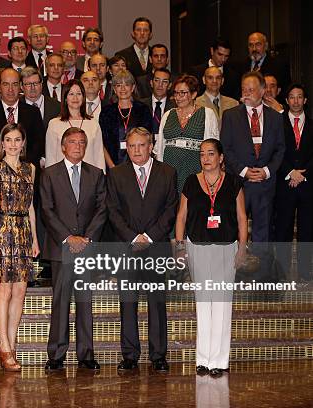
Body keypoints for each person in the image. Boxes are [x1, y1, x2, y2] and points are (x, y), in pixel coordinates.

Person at [106, 127, 178, 373]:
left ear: (151, 147)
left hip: (156, 247)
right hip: (126, 248)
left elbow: (171, 210)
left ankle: (158, 355)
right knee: (128, 302)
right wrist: (133, 237)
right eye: (132, 146)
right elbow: (112, 211)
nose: (136, 150)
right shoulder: (116, 174)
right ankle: (129, 355)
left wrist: (148, 237)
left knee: (157, 302)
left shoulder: (167, 173)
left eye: (141, 145)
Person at [175, 138, 248, 377]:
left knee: (222, 304)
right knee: (203, 303)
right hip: (197, 247)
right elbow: (181, 217)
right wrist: (180, 246)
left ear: (221, 157)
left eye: (210, 154)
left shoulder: (234, 183)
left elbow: (241, 219)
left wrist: (242, 248)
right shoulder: (191, 182)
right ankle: (203, 359)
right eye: (202, 154)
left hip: (227, 248)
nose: (205, 158)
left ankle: (219, 360)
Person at [41, 126, 107, 371]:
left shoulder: (97, 174)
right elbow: (46, 210)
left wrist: (87, 238)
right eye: (73, 142)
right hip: (62, 248)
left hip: (87, 248)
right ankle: (56, 355)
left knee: (85, 301)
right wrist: (69, 238)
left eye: (82, 142)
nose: (78, 146)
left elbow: (102, 209)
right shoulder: (49, 174)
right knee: (60, 302)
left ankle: (86, 354)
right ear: (63, 146)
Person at [0, 123, 39, 371]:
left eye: (18, 139)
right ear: (2, 143)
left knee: (20, 292)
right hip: (2, 230)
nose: (14, 144)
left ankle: (11, 343)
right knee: (4, 291)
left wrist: (35, 238)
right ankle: (3, 346)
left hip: (24, 231)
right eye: (9, 140)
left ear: (23, 142)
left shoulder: (31, 169)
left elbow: (30, 207)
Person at [220, 71, 285, 248]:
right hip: (238, 182)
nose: (246, 93)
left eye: (251, 90)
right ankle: (233, 270)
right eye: (243, 89)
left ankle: (262, 274)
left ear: (263, 91)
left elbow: (280, 149)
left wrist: (266, 171)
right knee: (234, 230)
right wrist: (244, 171)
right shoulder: (230, 116)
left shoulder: (276, 117)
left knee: (262, 234)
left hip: (265, 184)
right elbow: (226, 148)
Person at [154, 74, 219, 192]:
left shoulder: (207, 114)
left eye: (183, 93)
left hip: (195, 170)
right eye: (176, 93)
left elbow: (213, 147)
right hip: (169, 170)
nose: (178, 97)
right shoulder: (168, 114)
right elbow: (159, 147)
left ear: (194, 94)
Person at [274, 84, 312, 281]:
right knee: (283, 228)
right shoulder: (276, 123)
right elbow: (274, 151)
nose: (296, 101)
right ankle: (281, 271)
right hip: (284, 183)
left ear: (305, 100)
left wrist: (303, 175)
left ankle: (306, 273)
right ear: (286, 100)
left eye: (300, 97)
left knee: (307, 229)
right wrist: (290, 171)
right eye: (292, 97)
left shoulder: (312, 124)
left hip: (307, 184)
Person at [0, 68, 43, 167]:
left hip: (28, 173)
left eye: (15, 84)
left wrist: (20, 166)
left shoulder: (33, 112)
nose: (10, 89)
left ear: (20, 86)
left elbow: (38, 145)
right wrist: (5, 167)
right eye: (6, 84)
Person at [45, 79, 106, 171]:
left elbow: (99, 156)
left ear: (83, 97)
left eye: (78, 94)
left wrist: (102, 176)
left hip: (89, 176)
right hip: (61, 177)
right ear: (65, 98)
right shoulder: (54, 124)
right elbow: (51, 157)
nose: (75, 98)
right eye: (71, 94)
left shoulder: (93, 123)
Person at [99, 70, 153, 167]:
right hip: (113, 165)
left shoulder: (142, 110)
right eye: (119, 85)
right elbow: (102, 143)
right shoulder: (106, 112)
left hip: (139, 163)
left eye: (127, 84)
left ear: (132, 88)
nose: (123, 88)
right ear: (114, 89)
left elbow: (148, 139)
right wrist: (112, 167)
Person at [240, 32, 290, 98]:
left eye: (258, 44)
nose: (254, 49)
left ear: (266, 46)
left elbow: (286, 91)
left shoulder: (279, 65)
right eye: (251, 45)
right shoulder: (241, 66)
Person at [21, 66, 60, 131]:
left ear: (41, 84)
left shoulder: (56, 106)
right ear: (21, 87)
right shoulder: (17, 105)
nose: (32, 87)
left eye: (36, 83)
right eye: (28, 84)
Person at [138, 67, 175, 135]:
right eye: (157, 80)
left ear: (169, 86)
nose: (160, 85)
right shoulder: (140, 105)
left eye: (164, 81)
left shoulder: (175, 106)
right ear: (151, 83)